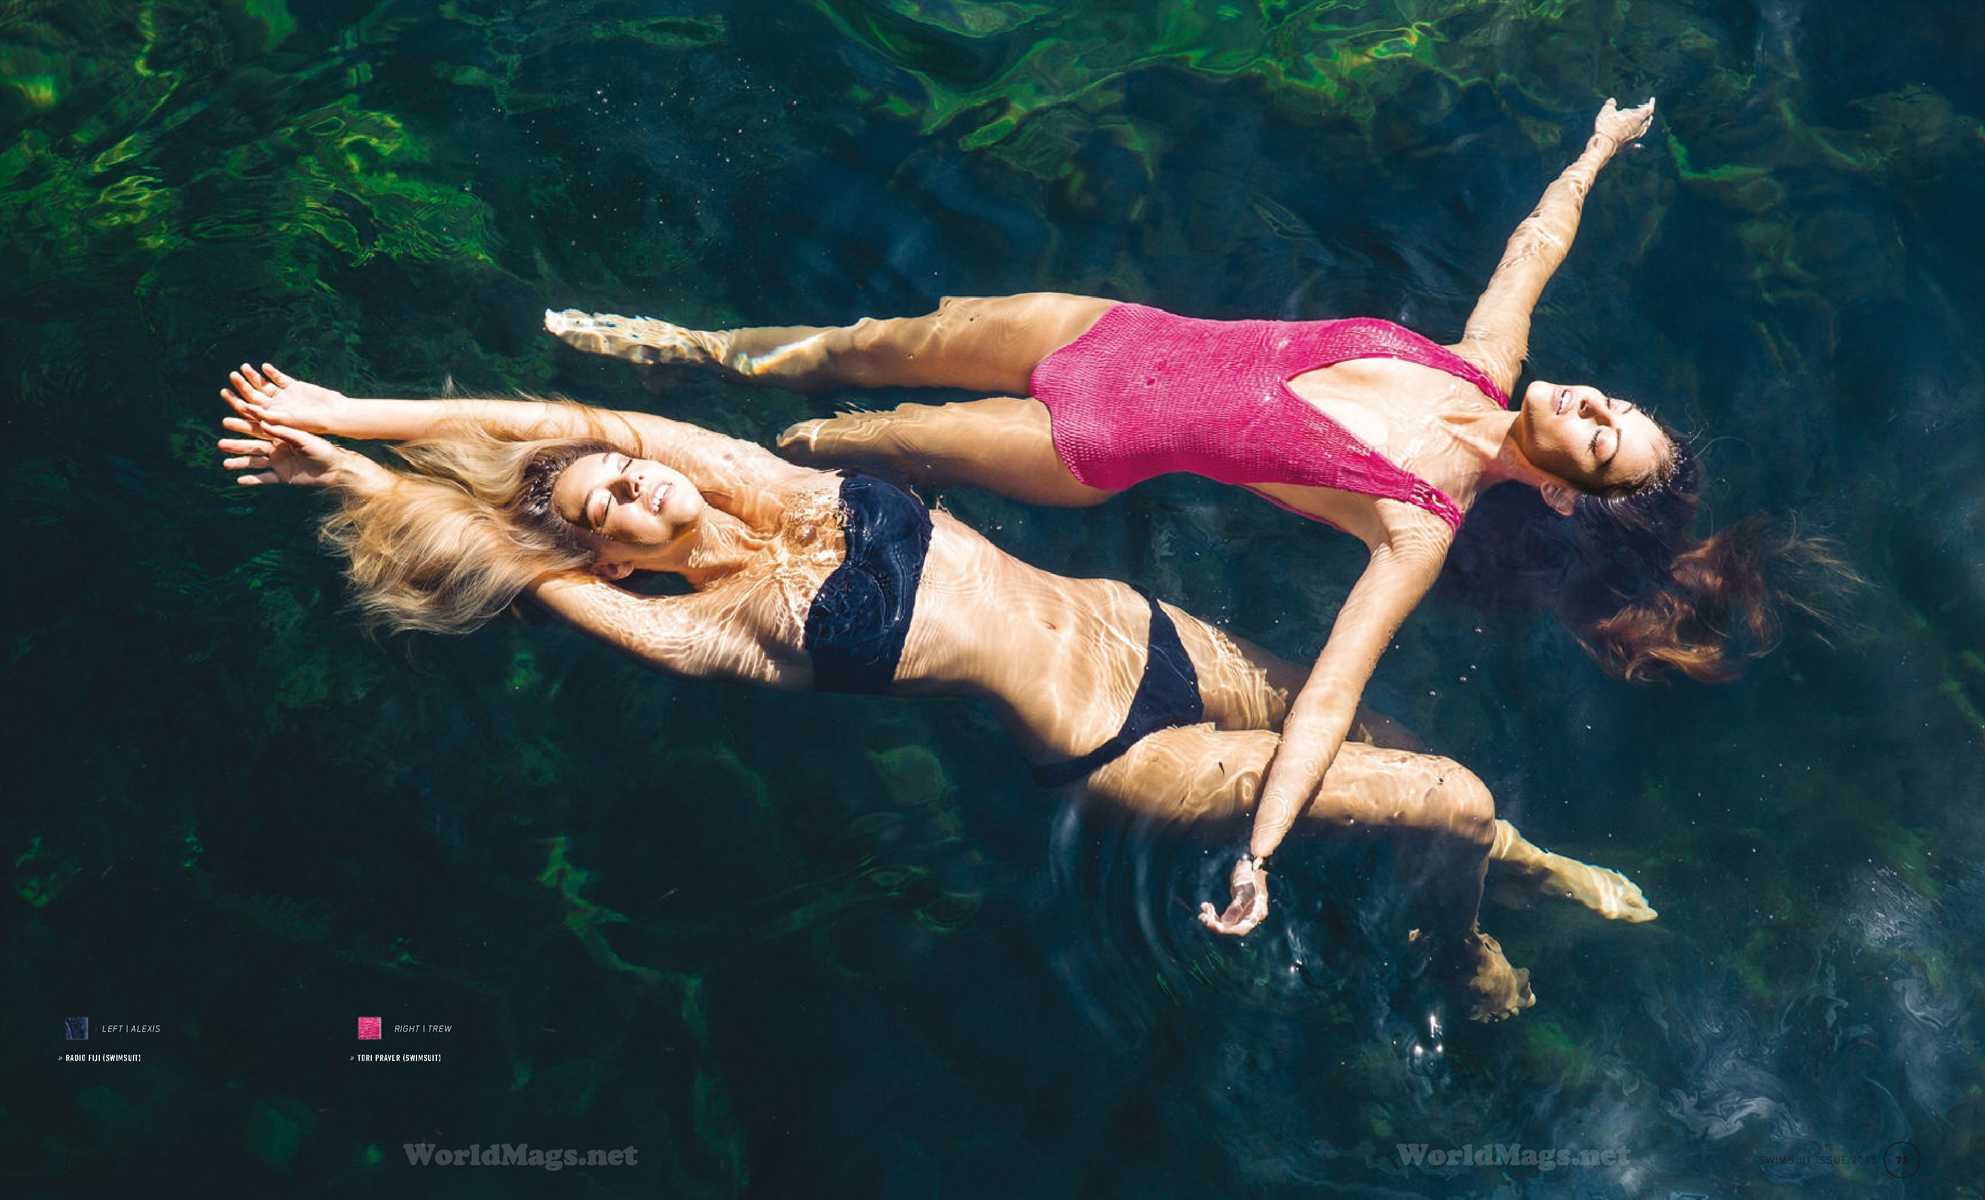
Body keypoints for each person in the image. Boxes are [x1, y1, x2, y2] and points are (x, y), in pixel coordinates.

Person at [541, 97, 1777, 938]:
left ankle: (694, 493)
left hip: (1086, 442)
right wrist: (1601, 151)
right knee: (873, 345)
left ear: (1564, 485)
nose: (1590, 402)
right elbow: (1534, 242)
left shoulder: (1421, 523)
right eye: (1612, 401)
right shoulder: (1481, 361)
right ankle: (692, 348)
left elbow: (1336, 693)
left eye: (1602, 435)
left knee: (848, 444)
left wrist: (1264, 852)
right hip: (1107, 331)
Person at [217, 365, 1656, 1021]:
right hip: (1118, 749)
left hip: (1152, 631)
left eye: (633, 465)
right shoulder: (702, 629)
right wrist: (354, 490)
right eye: (616, 497)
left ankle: (1521, 866)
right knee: (1448, 799)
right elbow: (515, 561)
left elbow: (551, 422)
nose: (639, 472)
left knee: (1396, 753)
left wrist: (348, 417)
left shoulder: (755, 481)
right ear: (613, 552)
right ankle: (1466, 959)